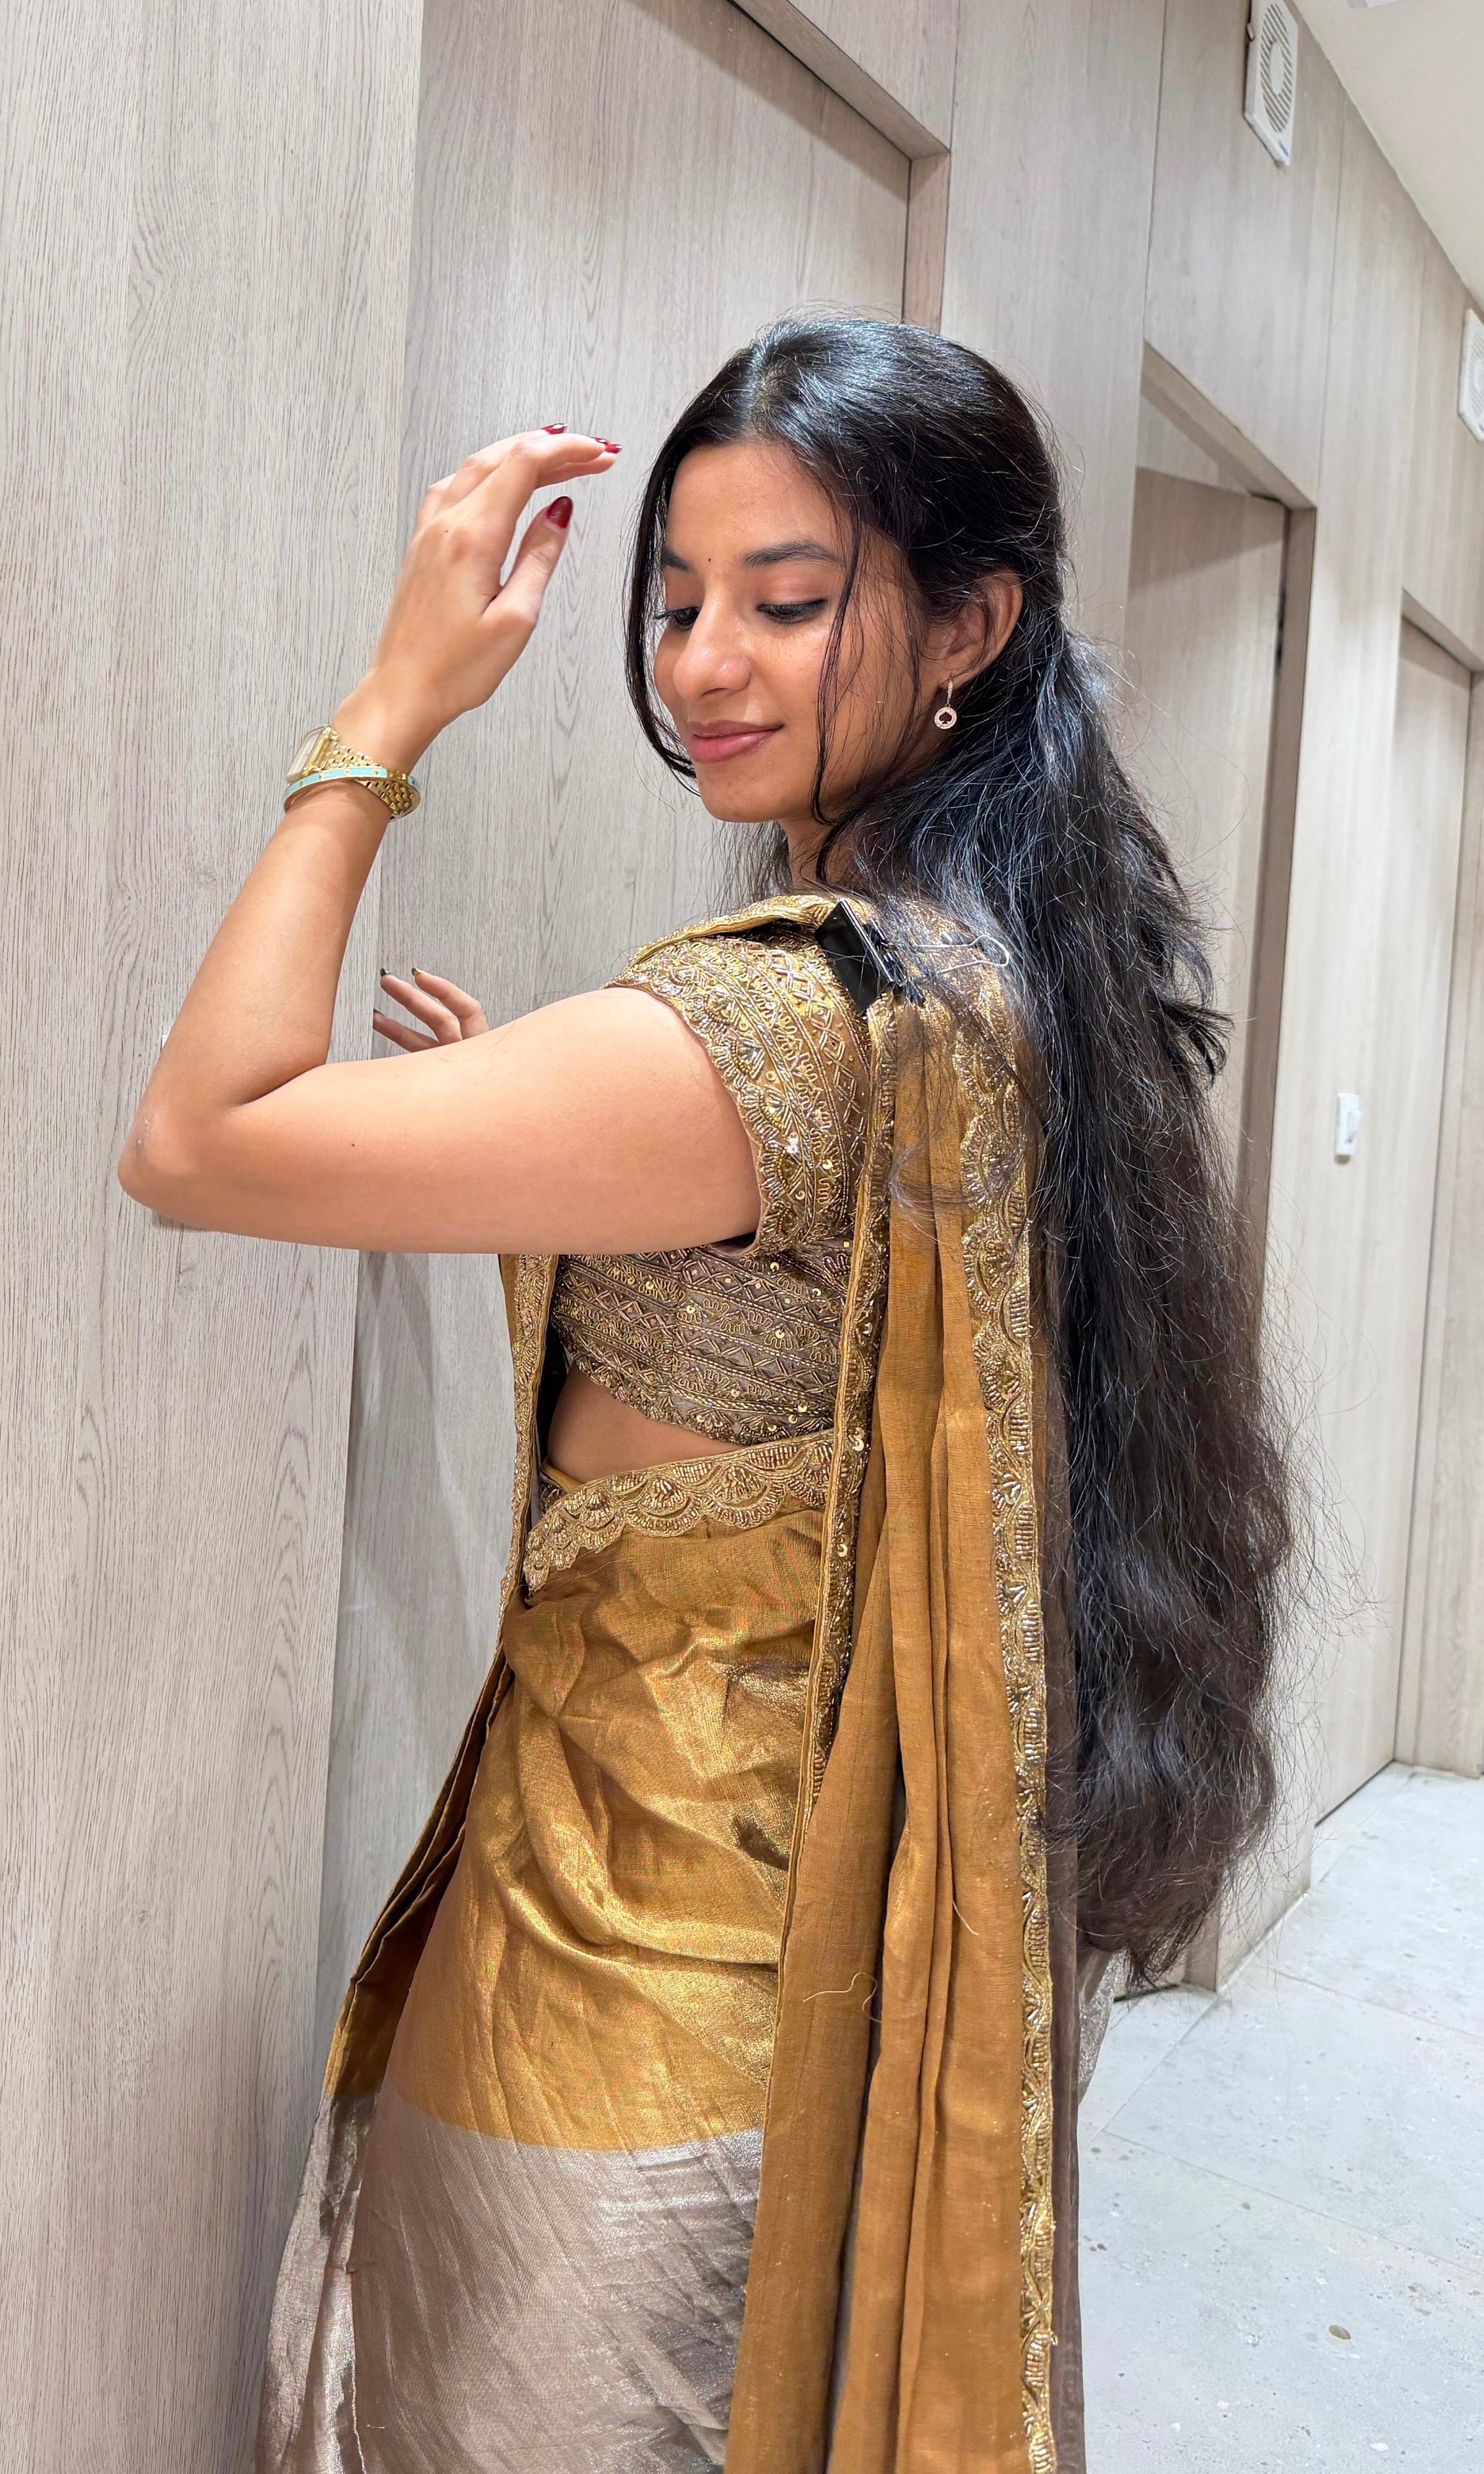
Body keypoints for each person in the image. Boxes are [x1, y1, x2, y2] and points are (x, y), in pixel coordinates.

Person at [120, 317, 1291, 2474]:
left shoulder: (778, 1031)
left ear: (968, 623)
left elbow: (199, 1135)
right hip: (807, 1965)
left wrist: (388, 712)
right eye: (673, 599)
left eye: (787, 595)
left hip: (633, 1979)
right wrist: (543, 1163)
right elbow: (788, 1386)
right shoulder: (992, 974)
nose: (704, 664)